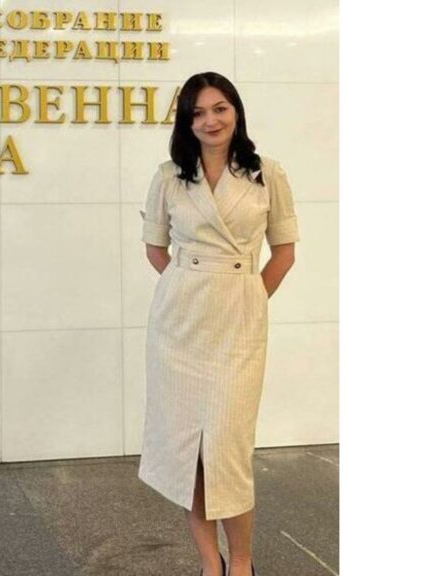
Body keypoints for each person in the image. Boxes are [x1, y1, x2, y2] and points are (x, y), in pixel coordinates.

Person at [137, 71, 299, 576]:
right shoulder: (169, 176)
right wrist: (188, 287)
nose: (210, 120)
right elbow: (156, 249)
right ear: (186, 122)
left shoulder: (267, 174)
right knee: (189, 454)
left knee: (227, 452)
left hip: (239, 327)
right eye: (198, 113)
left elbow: (285, 253)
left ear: (236, 111)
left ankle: (243, 563)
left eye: (220, 108)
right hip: (178, 329)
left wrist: (246, 297)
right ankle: (212, 564)